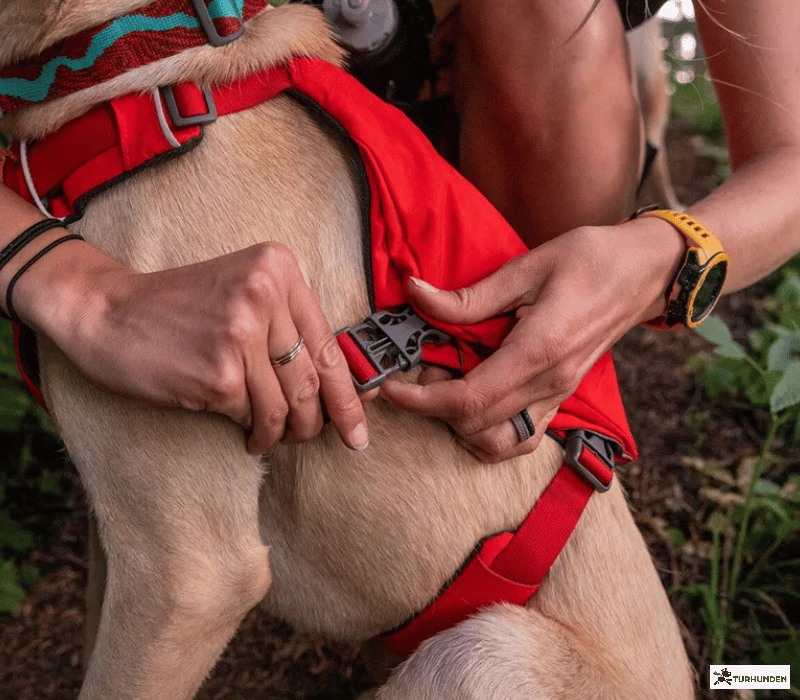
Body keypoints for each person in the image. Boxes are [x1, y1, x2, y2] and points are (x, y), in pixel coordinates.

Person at [1, 0, 799, 463]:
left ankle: (509, 376)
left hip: (505, 212)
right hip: (265, 152)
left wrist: (657, 258)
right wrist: (78, 289)